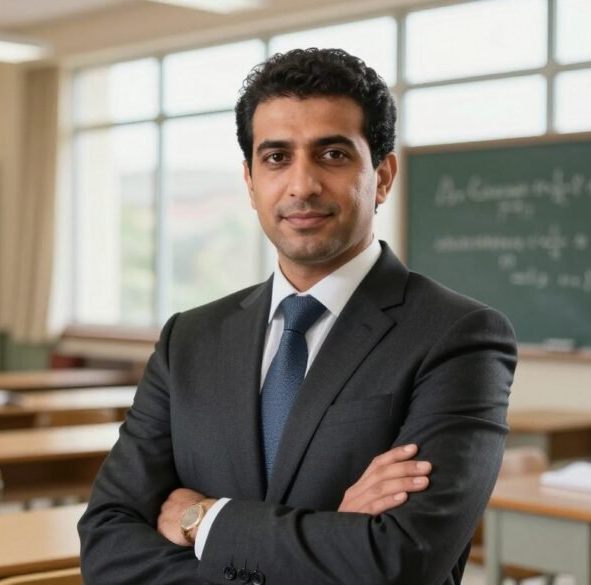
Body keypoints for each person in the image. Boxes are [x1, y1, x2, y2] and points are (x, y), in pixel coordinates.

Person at [78, 47, 517, 585]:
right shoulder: (188, 339)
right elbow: (107, 540)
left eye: (332, 155)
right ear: (250, 181)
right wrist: (332, 535)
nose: (301, 184)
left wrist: (204, 520)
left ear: (381, 176)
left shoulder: (457, 336)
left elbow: (400, 560)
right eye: (276, 157)